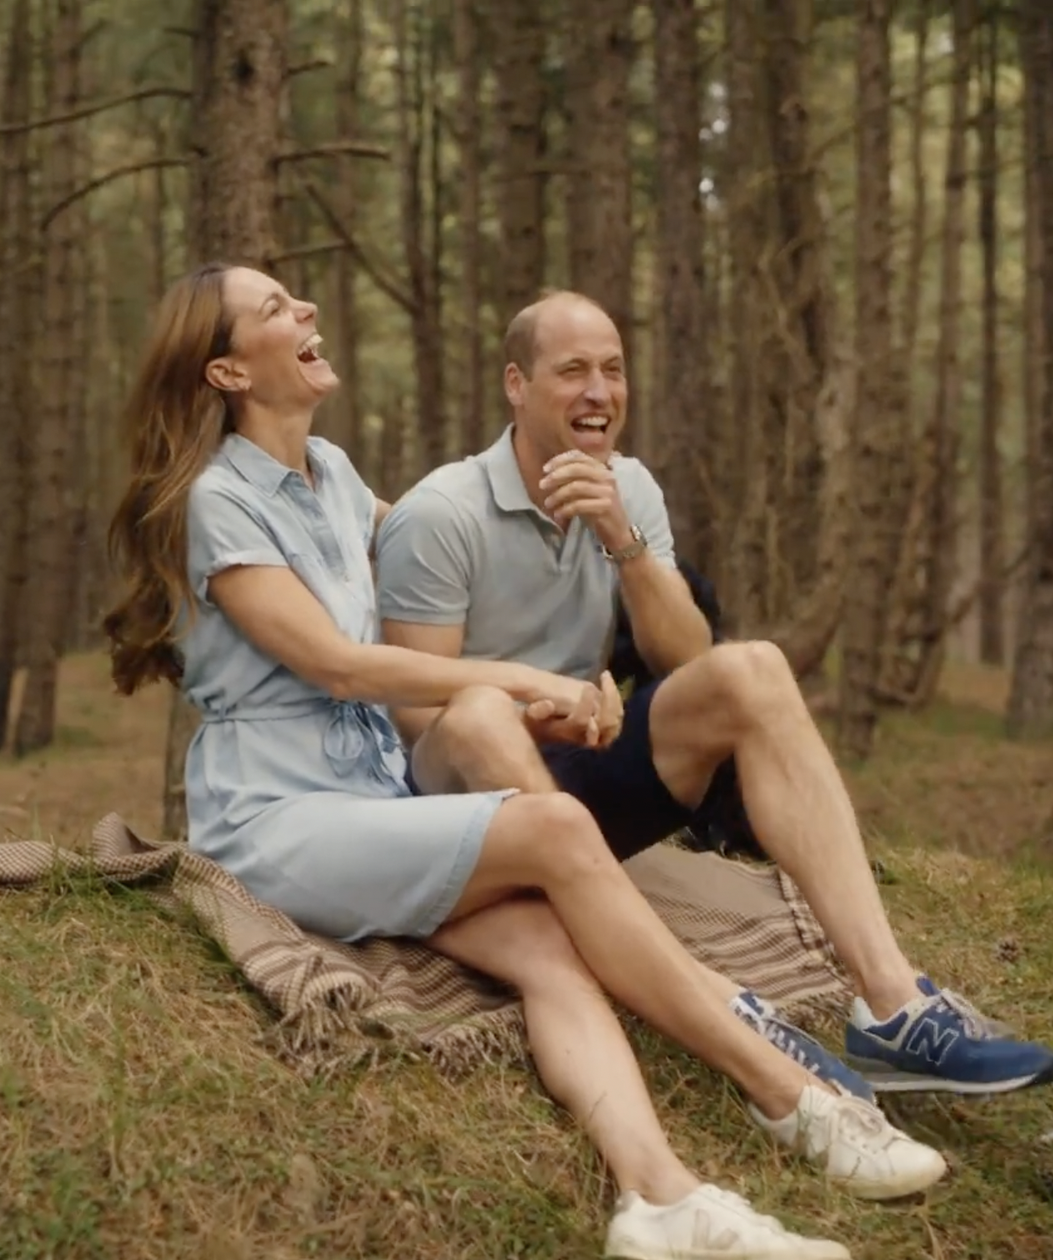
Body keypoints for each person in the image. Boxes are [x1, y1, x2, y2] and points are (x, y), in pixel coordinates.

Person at [101, 262, 944, 1260]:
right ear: (228, 372)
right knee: (553, 828)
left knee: (549, 947)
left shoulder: (332, 478)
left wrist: (582, 634)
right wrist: (521, 683)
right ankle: (783, 1085)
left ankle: (662, 1200)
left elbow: (432, 558)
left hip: (375, 800)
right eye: (276, 309)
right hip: (277, 815)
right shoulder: (215, 500)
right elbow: (333, 664)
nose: (307, 310)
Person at [373, 289, 1053, 1097]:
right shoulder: (441, 513)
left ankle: (893, 1006)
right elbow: (414, 711)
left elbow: (686, 658)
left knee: (753, 668)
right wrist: (536, 712)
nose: (600, 391)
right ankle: (695, 987)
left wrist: (622, 541)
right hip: (467, 808)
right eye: (572, 372)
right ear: (517, 386)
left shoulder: (629, 490)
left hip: (581, 771)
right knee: (479, 714)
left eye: (613, 370)